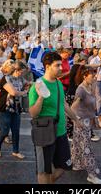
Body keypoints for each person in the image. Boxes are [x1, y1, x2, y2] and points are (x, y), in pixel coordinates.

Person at [28, 52, 81, 184]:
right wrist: (41, 96)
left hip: (61, 132)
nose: (61, 68)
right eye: (57, 65)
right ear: (47, 66)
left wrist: (76, 119)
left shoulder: (58, 84)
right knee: (43, 171)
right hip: (45, 134)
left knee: (64, 166)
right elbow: (33, 113)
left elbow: (64, 104)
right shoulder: (37, 86)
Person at [70, 66, 101, 184]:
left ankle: (77, 164)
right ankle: (91, 174)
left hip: (87, 121)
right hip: (81, 122)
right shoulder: (81, 90)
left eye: (94, 75)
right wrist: (76, 119)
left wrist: (95, 119)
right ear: (84, 76)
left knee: (77, 144)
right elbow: (72, 107)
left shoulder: (90, 86)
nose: (94, 77)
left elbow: (92, 106)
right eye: (91, 75)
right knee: (87, 148)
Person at [0, 60, 28, 160]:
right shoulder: (6, 79)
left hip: (16, 108)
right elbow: (13, 92)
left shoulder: (21, 79)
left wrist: (28, 86)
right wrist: (24, 92)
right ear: (16, 70)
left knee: (16, 131)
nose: (23, 73)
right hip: (4, 108)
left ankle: (16, 151)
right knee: (4, 131)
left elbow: (29, 83)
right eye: (22, 71)